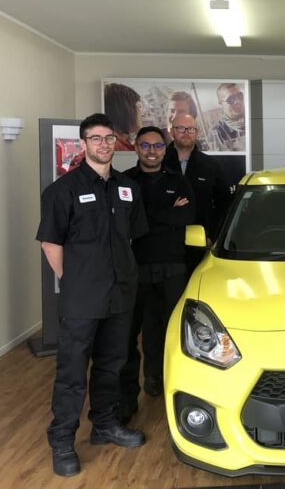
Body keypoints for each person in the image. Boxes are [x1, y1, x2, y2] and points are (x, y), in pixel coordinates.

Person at [36, 113, 148, 477]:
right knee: (71, 372)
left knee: (112, 364)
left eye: (109, 138)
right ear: (83, 144)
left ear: (116, 142)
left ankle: (105, 424)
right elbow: (50, 243)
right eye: (96, 138)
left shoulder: (127, 187)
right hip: (81, 299)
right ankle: (62, 441)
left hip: (120, 296)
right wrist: (74, 280)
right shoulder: (62, 190)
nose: (103, 144)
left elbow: (132, 236)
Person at [118, 126, 196, 424]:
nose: (152, 151)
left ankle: (169, 378)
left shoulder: (179, 180)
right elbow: (125, 224)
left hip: (173, 265)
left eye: (158, 146)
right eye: (145, 145)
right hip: (135, 266)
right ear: (136, 147)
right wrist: (167, 214)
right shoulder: (124, 181)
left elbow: (187, 216)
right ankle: (138, 388)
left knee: (173, 327)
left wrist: (147, 216)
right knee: (134, 331)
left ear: (166, 149)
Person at [163, 113, 231, 272]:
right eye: (180, 128)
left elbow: (224, 204)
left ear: (197, 133)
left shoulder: (211, 166)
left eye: (191, 129)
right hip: (164, 245)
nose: (186, 132)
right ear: (171, 131)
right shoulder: (159, 162)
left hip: (201, 245)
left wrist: (212, 236)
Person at [104, 83, 142, 150]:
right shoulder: (115, 145)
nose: (142, 114)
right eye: (139, 107)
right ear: (126, 109)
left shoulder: (123, 142)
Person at [212, 83, 246, 151]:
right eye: (231, 99)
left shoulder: (254, 121)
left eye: (240, 96)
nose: (238, 101)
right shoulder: (217, 131)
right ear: (221, 103)